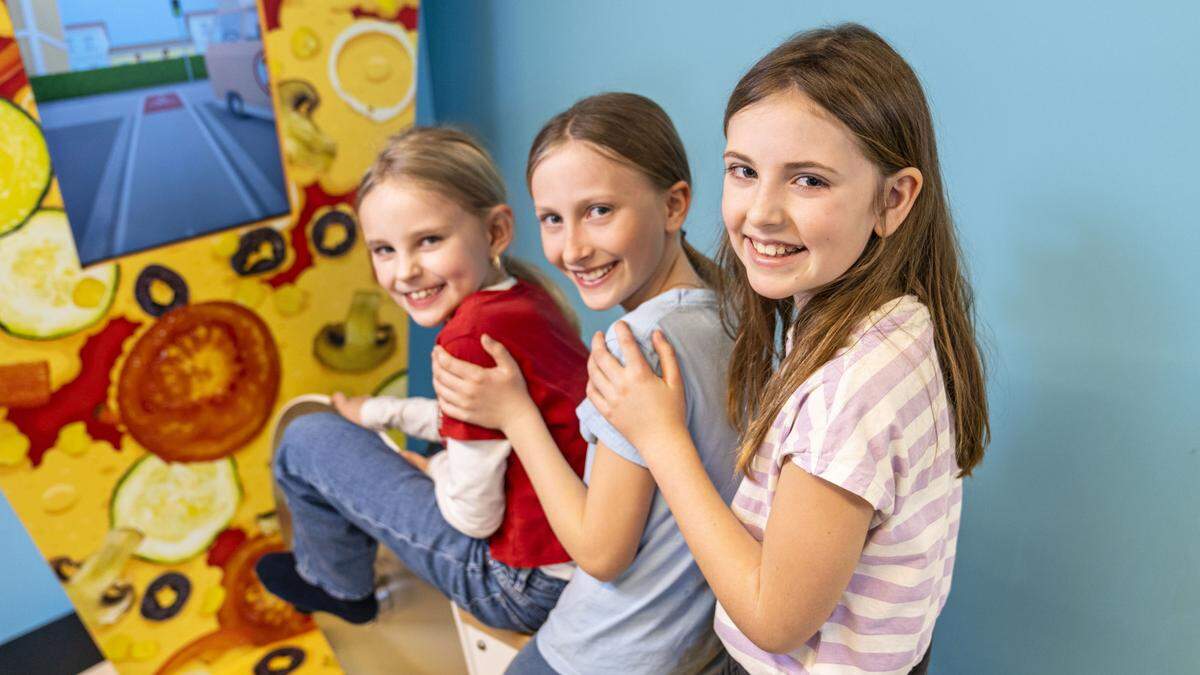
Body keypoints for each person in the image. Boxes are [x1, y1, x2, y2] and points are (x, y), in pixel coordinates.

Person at [586, 25, 990, 674]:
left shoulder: (848, 391)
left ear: (894, 198)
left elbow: (774, 618)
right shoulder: (903, 317)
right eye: (743, 171)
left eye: (808, 181)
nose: (761, 213)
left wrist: (659, 437)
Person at [432, 93, 739, 674]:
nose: (571, 248)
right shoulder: (733, 309)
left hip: (596, 656)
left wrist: (516, 415)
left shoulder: (637, 349)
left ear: (674, 205)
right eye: (552, 219)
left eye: (599, 210)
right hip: (690, 654)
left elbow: (601, 552)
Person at [257, 127, 589, 633]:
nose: (405, 270)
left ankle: (337, 584)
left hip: (521, 585)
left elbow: (473, 516)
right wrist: (377, 413)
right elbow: (478, 420)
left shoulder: (467, 340)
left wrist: (431, 471)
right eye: (384, 250)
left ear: (495, 232)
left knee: (305, 440)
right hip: (571, 558)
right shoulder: (526, 300)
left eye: (429, 241)